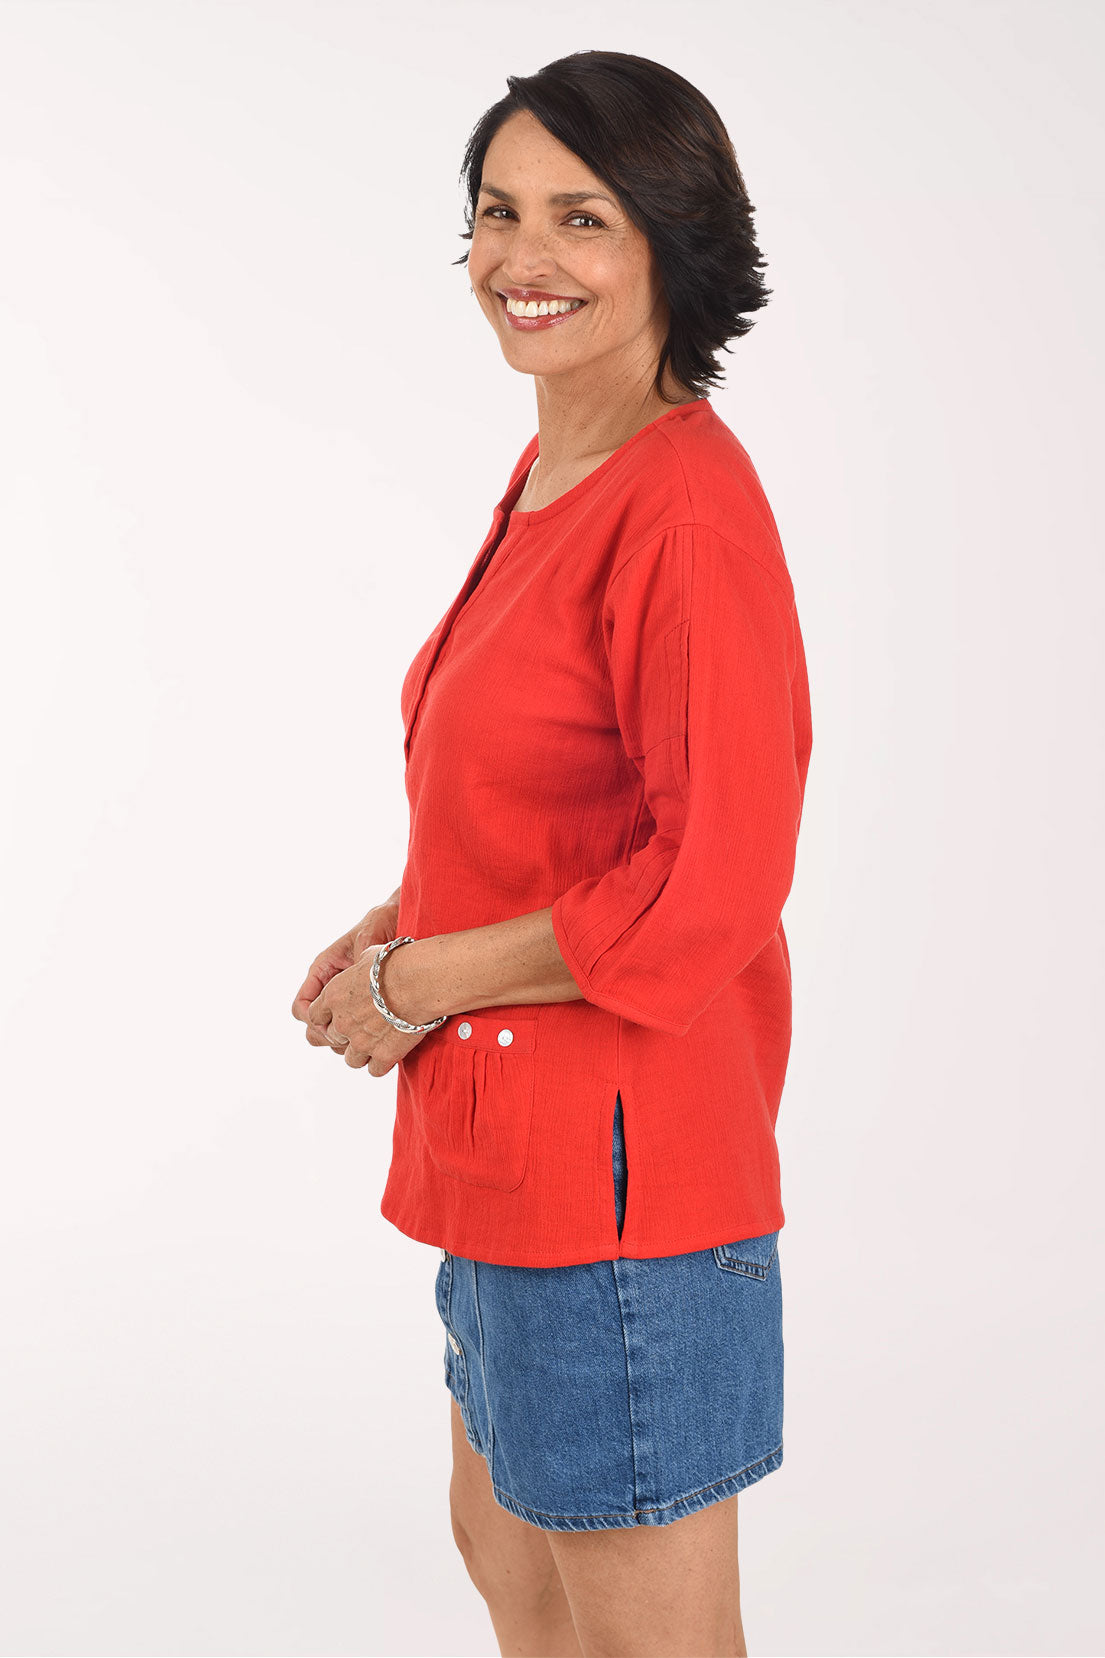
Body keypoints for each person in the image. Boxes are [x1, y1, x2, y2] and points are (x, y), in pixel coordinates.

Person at [291, 49, 813, 1658]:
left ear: (672, 238)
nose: (523, 256)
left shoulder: (682, 512)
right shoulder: (553, 470)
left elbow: (711, 873)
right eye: (498, 211)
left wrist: (424, 976)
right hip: (515, 1169)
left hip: (622, 1199)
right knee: (513, 1565)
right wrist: (403, 915)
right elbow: (563, 800)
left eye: (581, 217)